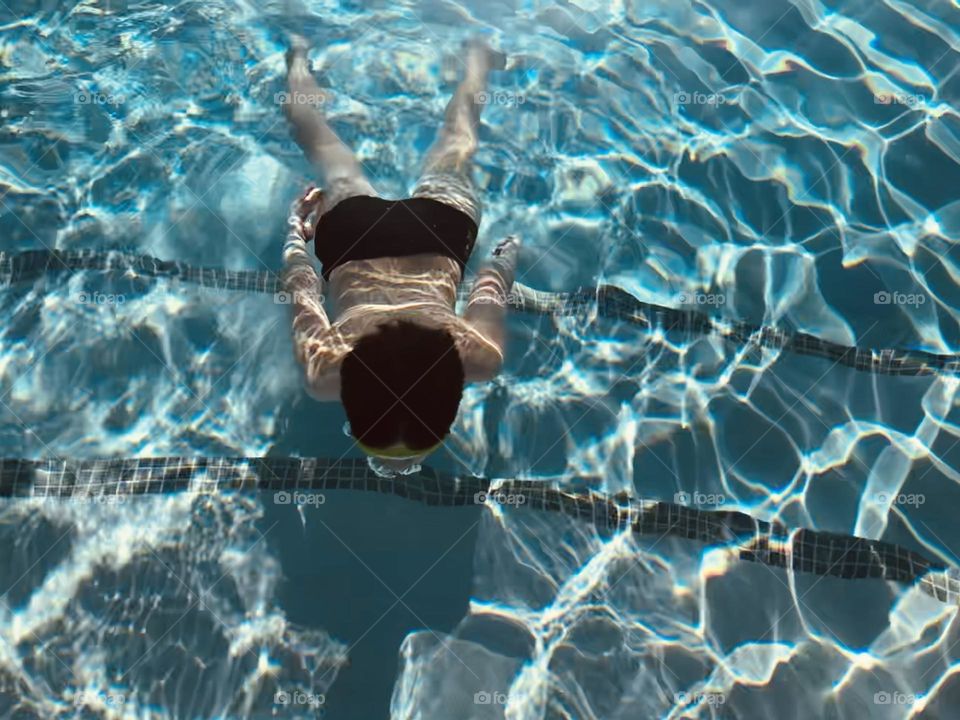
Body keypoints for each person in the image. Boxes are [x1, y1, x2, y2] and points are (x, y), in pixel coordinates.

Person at [279, 36, 520, 474]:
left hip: (440, 234)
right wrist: (296, 232)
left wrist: (505, 259)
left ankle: (476, 62)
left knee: (457, 145)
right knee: (323, 146)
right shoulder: (324, 372)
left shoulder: (480, 360)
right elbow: (303, 289)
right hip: (353, 239)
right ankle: (297, 59)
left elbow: (489, 290)